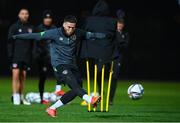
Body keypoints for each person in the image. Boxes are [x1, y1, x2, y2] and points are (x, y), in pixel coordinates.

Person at [13, 15, 107, 117]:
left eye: (73, 27)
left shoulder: (78, 32)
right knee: (74, 85)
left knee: (77, 88)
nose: (71, 29)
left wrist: (108, 36)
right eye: (68, 27)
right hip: (59, 64)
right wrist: (17, 36)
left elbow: (92, 35)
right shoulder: (54, 33)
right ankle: (90, 99)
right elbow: (36, 35)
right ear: (64, 24)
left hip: (72, 64)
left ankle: (52, 108)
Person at [34, 10, 64, 104]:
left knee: (60, 71)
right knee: (42, 78)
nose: (48, 19)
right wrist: (37, 56)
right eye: (46, 18)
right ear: (43, 19)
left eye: (49, 18)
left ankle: (58, 91)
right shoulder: (39, 28)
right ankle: (41, 97)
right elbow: (36, 43)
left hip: (53, 56)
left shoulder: (55, 28)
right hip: (42, 57)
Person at [7, 8, 33, 105]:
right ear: (19, 15)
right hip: (16, 56)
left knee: (23, 77)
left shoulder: (30, 27)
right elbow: (9, 42)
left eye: (26, 13)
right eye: (22, 13)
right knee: (15, 76)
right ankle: (16, 97)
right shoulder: (14, 27)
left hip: (26, 56)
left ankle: (21, 97)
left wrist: (32, 55)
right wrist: (10, 55)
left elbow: (32, 43)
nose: (24, 15)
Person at [109, 19, 129, 104]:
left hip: (117, 59)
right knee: (100, 74)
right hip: (108, 57)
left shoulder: (125, 34)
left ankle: (110, 99)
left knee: (114, 78)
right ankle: (100, 92)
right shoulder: (111, 33)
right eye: (118, 24)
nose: (120, 26)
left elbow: (125, 45)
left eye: (121, 25)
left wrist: (119, 37)